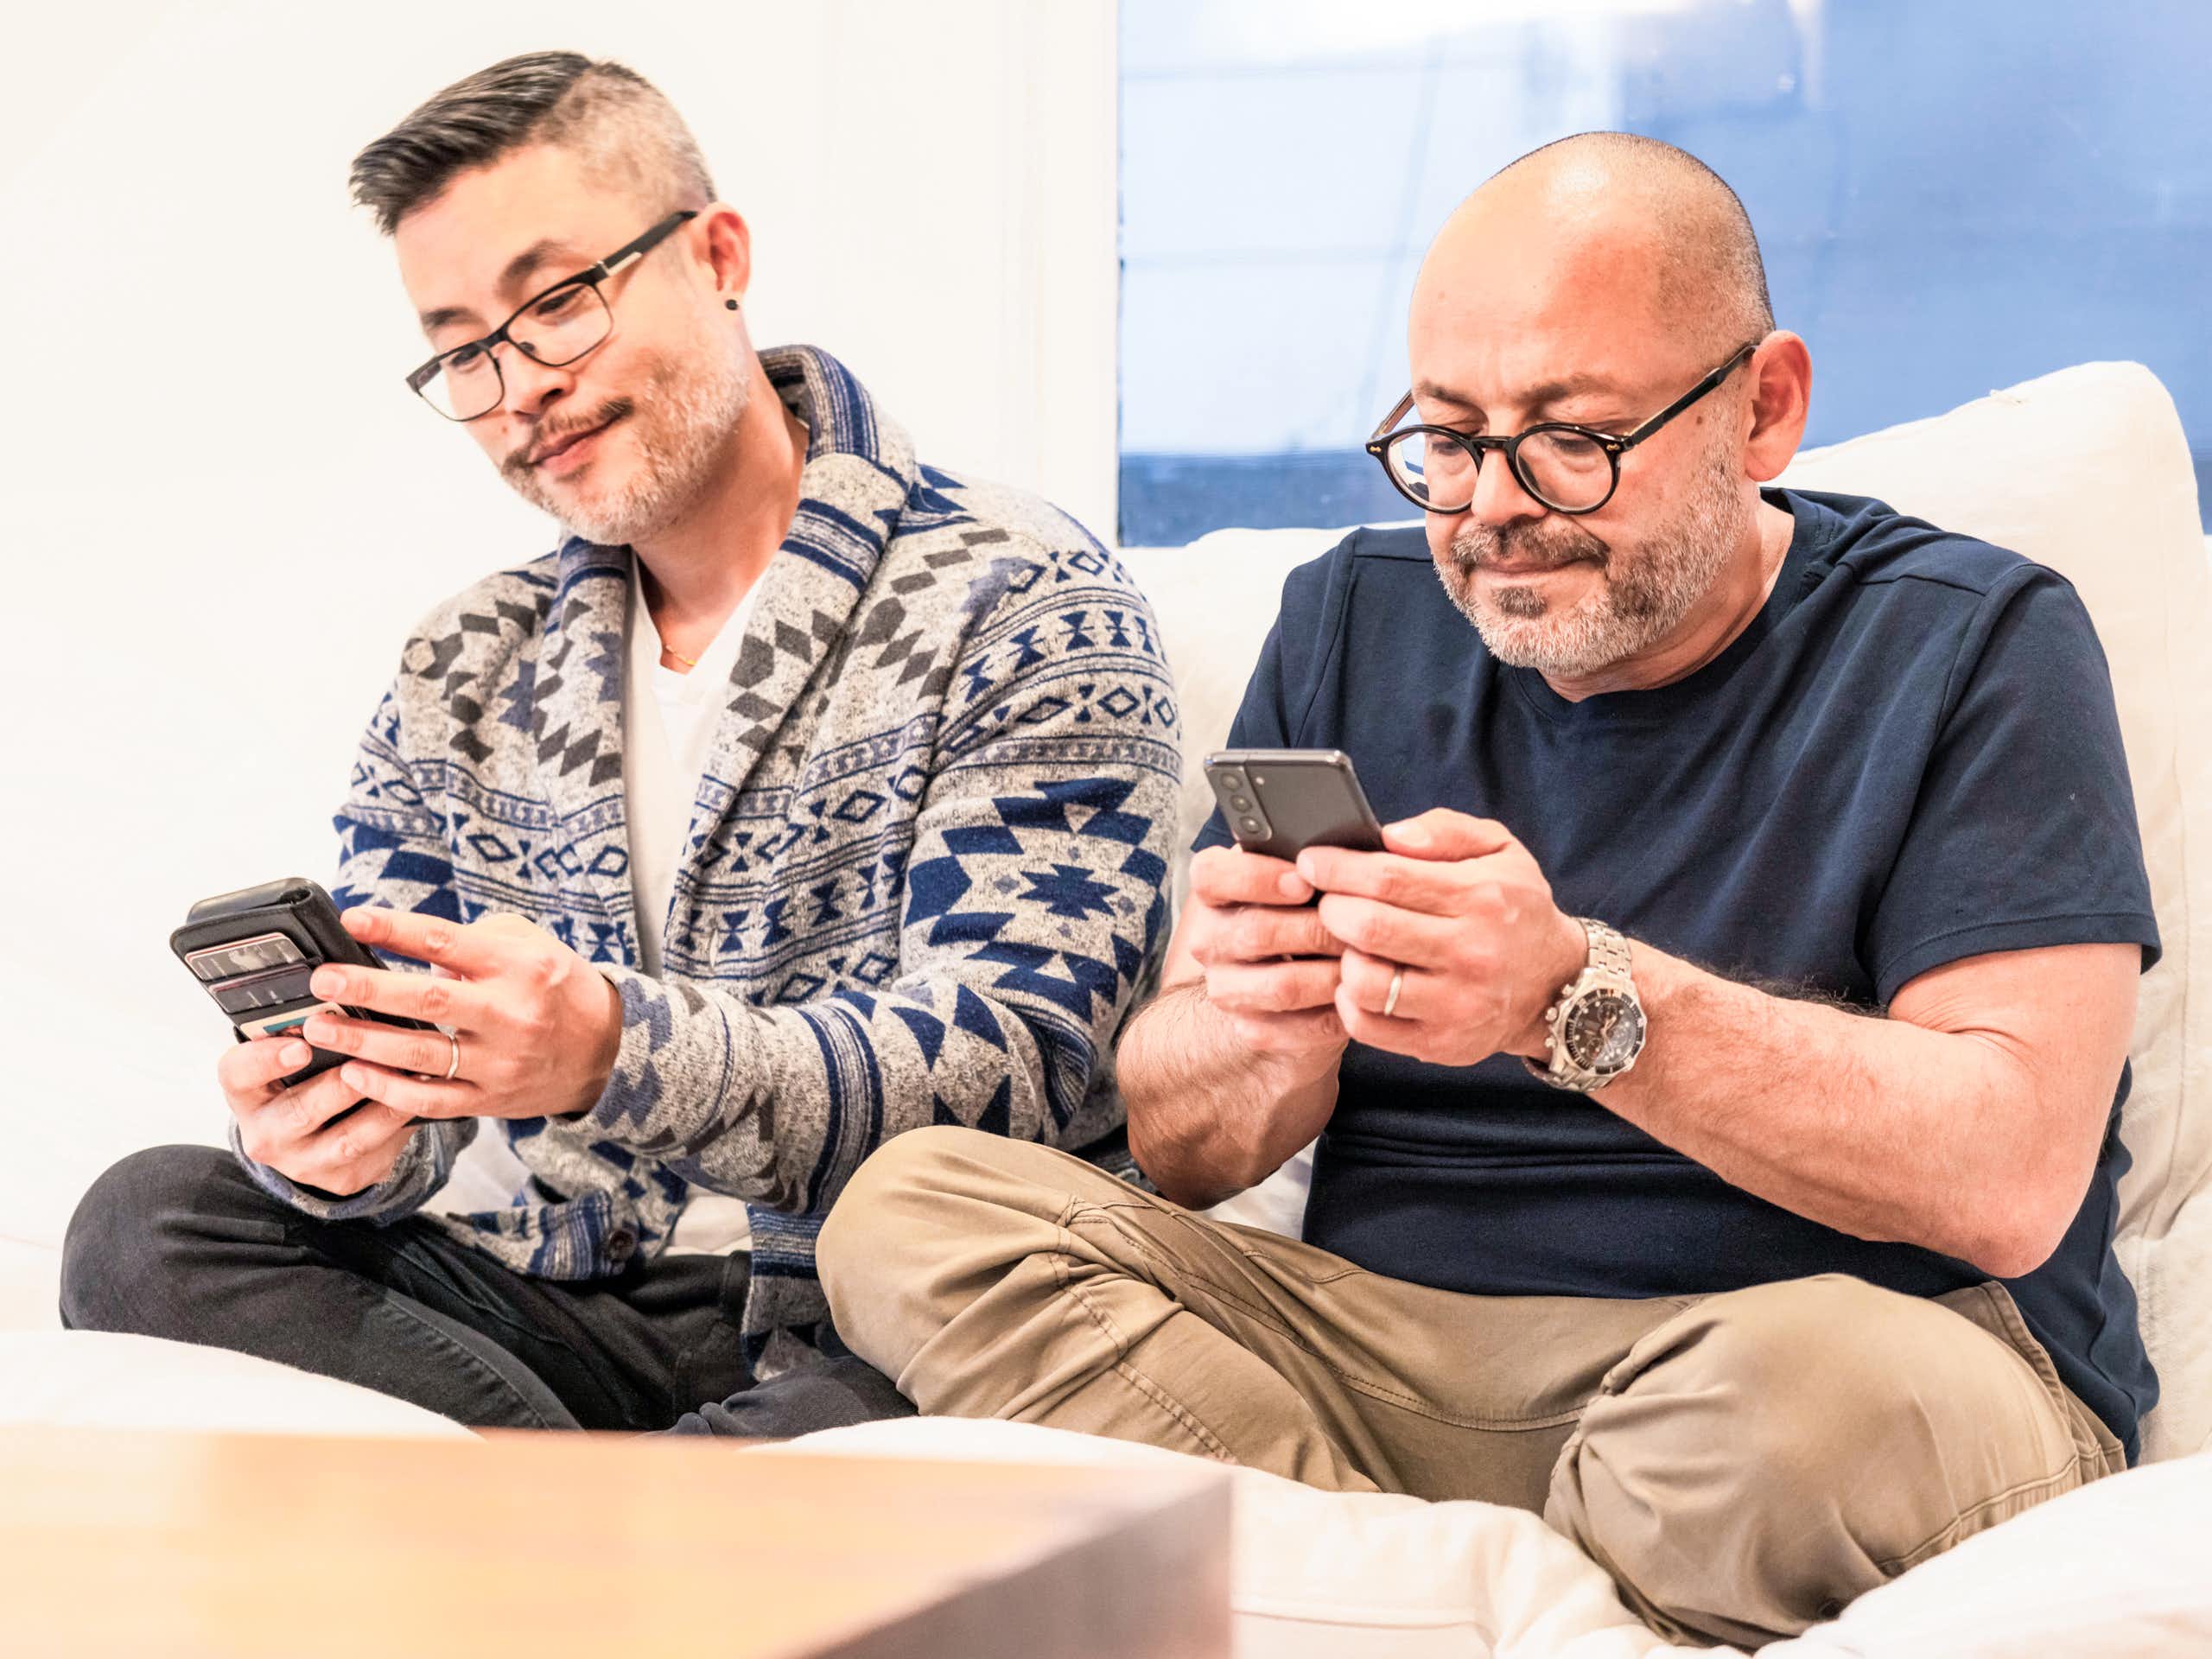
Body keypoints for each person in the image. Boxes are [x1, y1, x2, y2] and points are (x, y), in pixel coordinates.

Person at [817, 132, 2161, 1646]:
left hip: (1828, 1362)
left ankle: (1349, 1582)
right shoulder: (1350, 619)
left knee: (1784, 1414)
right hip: (1391, 1356)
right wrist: (1260, 1034)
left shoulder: (1974, 641)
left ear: (1764, 408)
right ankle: (1444, 1589)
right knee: (912, 1210)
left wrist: (1571, 997)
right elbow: (1190, 1154)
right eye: (1448, 439)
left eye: (1569, 435)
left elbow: (2006, 1179)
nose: (1492, 507)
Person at [61, 51, 1179, 1436]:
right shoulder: (460, 663)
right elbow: (422, 1107)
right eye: (465, 348)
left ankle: (577, 1540)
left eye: (558, 304)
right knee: (150, 1220)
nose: (519, 386)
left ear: (718, 254)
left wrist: (616, 1053)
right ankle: (613, 1534)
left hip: (884, 1307)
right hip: (560, 1298)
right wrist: (342, 1145)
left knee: (872, 1387)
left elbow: (1027, 1058)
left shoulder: (1016, 592)